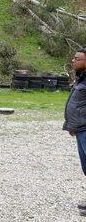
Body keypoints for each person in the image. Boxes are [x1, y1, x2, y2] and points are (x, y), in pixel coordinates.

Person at [63, 48, 86, 216]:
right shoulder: (81, 78)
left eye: (77, 58)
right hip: (80, 129)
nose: (73, 61)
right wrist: (71, 125)